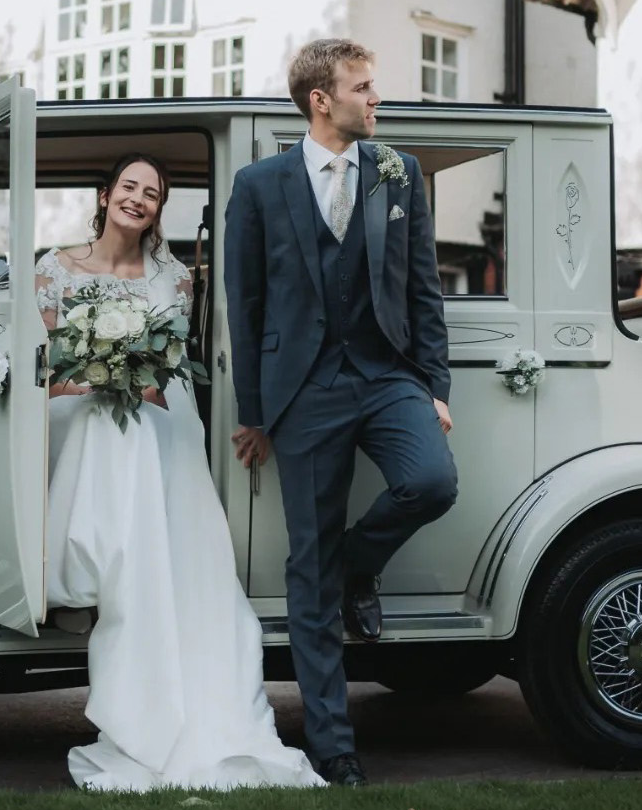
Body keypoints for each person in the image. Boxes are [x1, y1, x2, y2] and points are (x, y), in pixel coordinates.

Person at [38, 153, 326, 792]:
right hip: (81, 416)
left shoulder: (174, 276)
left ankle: (171, 667)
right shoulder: (54, 269)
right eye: (130, 187)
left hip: (160, 421)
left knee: (145, 450)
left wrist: (131, 379)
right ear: (106, 192)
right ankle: (96, 576)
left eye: (153, 194)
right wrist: (103, 376)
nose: (139, 199)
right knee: (101, 429)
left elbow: (171, 366)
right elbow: (46, 373)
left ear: (158, 210)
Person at [222, 39, 459, 787]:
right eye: (362, 87)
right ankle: (333, 746)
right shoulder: (258, 185)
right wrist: (257, 413)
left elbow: (423, 288)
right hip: (305, 393)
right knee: (306, 567)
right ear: (321, 100)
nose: (374, 98)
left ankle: (358, 567)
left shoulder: (399, 173)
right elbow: (245, 300)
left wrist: (435, 386)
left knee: (432, 482)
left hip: (386, 373)